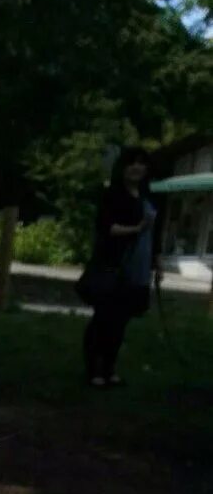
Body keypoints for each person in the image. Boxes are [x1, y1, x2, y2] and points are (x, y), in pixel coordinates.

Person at [82, 145, 161, 388]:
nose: (137, 167)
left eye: (141, 163)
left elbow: (153, 233)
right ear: (123, 167)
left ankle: (110, 368)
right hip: (114, 266)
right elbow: (107, 227)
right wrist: (135, 229)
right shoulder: (113, 195)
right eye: (131, 162)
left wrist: (157, 259)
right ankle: (94, 369)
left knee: (121, 321)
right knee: (104, 318)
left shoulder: (148, 197)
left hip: (138, 267)